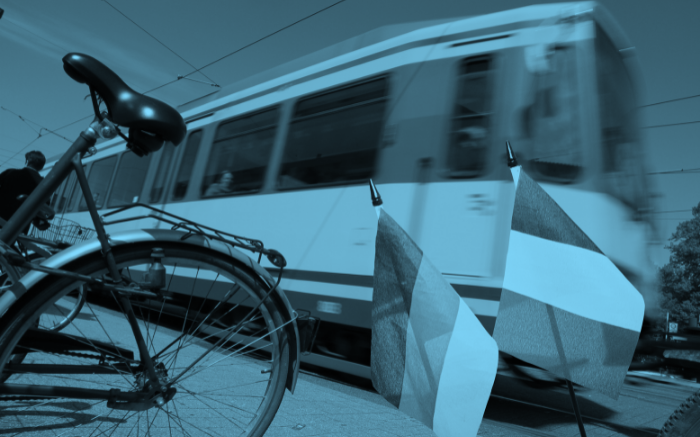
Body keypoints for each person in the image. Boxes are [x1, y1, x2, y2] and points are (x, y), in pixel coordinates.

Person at [0, 150, 48, 232]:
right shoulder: (43, 183)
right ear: (42, 166)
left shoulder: (10, 173)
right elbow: (44, 206)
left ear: (27, 161)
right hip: (20, 226)